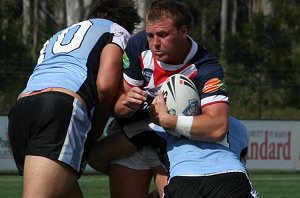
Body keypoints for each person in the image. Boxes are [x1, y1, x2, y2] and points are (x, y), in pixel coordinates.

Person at [88, 0, 233, 197]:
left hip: (175, 143)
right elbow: (118, 108)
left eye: (163, 35)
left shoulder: (205, 67)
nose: (155, 43)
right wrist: (128, 103)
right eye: (150, 35)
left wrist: (166, 121)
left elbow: (218, 127)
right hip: (134, 135)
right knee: (93, 155)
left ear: (183, 31)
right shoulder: (138, 45)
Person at [7, 0, 140, 197]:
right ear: (128, 23)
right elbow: (105, 86)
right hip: (59, 108)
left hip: (21, 109)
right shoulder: (118, 31)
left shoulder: (58, 34)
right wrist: (96, 129)